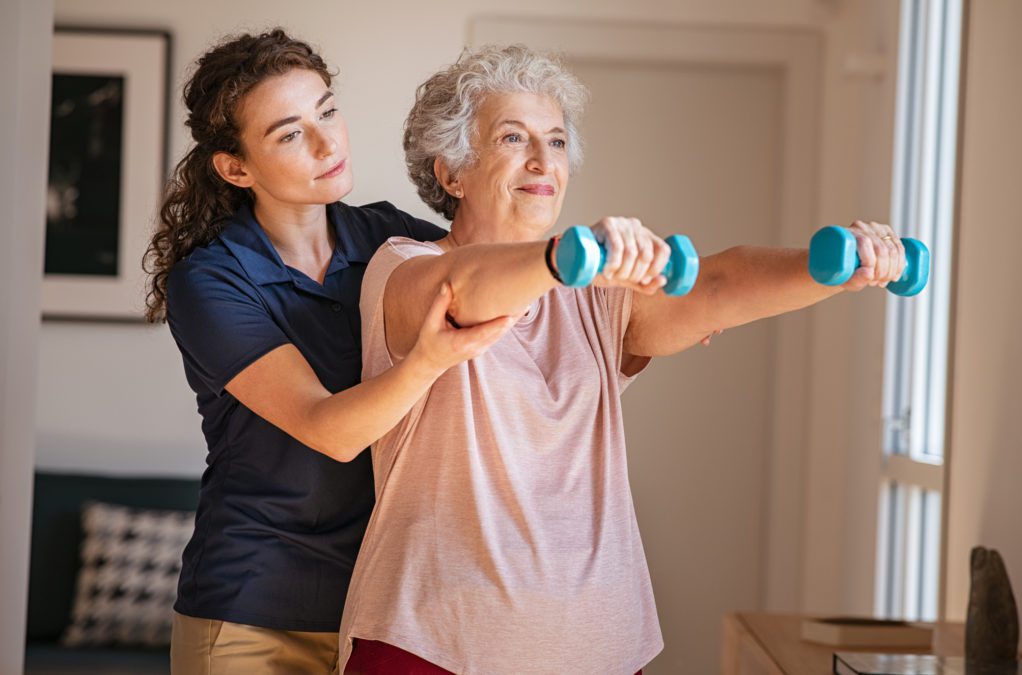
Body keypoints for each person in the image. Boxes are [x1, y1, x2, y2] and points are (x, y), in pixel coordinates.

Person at [338, 45, 907, 674]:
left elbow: (716, 287)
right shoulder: (403, 265)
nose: (542, 160)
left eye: (556, 142)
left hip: (599, 651)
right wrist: (568, 256)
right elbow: (463, 291)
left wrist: (835, 268)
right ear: (451, 173)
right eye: (512, 137)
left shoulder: (596, 292)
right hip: (432, 647)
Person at [142, 29, 517, 674]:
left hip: (377, 608)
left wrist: (620, 317)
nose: (326, 142)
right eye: (289, 133)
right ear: (236, 168)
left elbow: (491, 281)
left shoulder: (389, 238)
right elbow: (329, 430)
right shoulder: (211, 281)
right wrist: (428, 358)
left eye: (327, 111)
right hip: (252, 612)